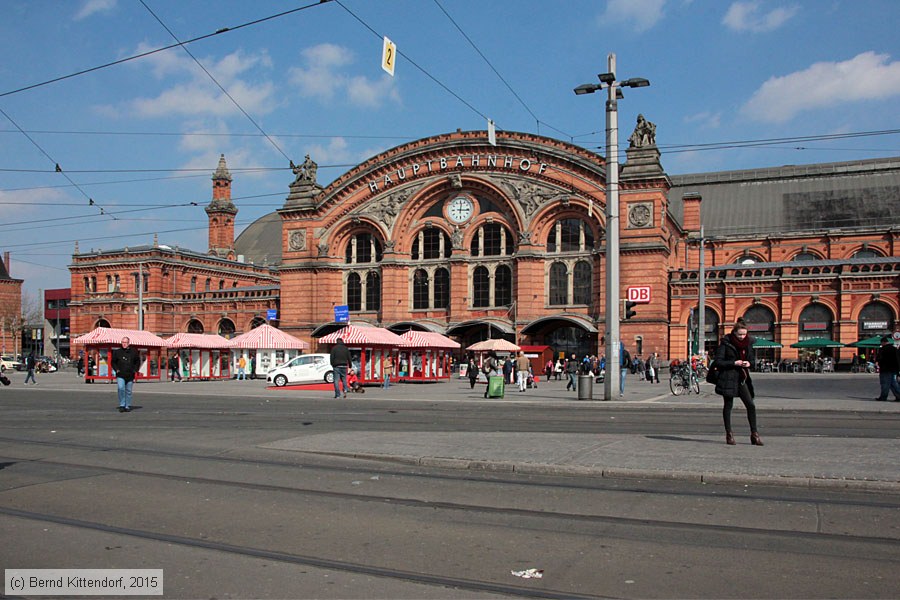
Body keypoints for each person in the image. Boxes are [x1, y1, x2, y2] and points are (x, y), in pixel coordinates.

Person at [714, 319, 762, 446]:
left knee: (750, 405)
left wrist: (749, 363)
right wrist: (733, 363)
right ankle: (729, 434)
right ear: (734, 333)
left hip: (742, 378)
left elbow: (752, 360)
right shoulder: (726, 343)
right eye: (739, 334)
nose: (742, 337)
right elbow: (718, 361)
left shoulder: (748, 343)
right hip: (728, 378)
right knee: (728, 406)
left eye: (744, 334)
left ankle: (754, 434)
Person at [111, 336, 142, 412]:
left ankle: (127, 405)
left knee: (128, 391)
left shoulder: (134, 352)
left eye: (125, 342)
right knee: (121, 388)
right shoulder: (117, 352)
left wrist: (135, 370)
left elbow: (137, 361)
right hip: (120, 374)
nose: (124, 344)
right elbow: (113, 362)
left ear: (129, 343)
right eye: (123, 342)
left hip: (130, 374)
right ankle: (122, 404)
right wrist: (116, 370)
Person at [874, 336, 900, 402]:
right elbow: (898, 360)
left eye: (881, 343)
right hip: (894, 369)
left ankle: (883, 397)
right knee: (893, 383)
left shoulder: (883, 349)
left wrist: (877, 363)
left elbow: (879, 358)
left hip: (885, 369)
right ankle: (898, 396)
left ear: (883, 342)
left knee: (885, 383)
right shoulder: (894, 349)